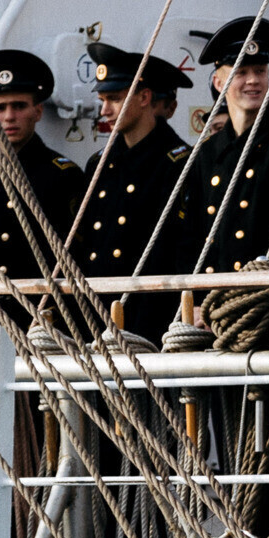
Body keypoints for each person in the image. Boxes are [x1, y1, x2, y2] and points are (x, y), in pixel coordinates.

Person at [77, 39, 197, 338]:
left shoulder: (179, 163)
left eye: (114, 99)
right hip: (98, 313)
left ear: (144, 97)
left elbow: (185, 246)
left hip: (152, 315)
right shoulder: (98, 164)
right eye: (102, 99)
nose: (104, 109)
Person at [180, 15, 269, 272]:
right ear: (219, 83)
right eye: (241, 73)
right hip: (213, 289)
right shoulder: (207, 152)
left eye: (260, 71)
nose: (253, 80)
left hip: (268, 288)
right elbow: (191, 234)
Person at [0, 47, 87, 288]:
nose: (9, 116)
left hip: (40, 305)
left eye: (19, 106)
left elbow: (76, 256)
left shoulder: (62, 176)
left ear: (38, 111)